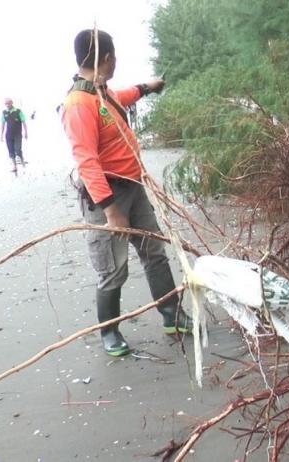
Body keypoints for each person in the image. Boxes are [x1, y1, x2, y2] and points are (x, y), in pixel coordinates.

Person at [60, 29, 192, 357]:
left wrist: (147, 88)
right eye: (114, 55)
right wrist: (109, 211)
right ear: (106, 58)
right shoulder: (78, 103)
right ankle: (109, 333)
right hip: (108, 198)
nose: (116, 60)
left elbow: (123, 96)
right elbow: (87, 161)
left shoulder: (102, 92)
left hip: (134, 189)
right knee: (113, 270)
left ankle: (172, 316)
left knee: (155, 253)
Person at [1, 98, 28, 172]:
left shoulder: (18, 111)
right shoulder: (4, 112)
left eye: (8, 103)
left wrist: (26, 132)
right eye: (5, 104)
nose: (7, 105)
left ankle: (21, 157)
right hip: (8, 135)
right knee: (11, 151)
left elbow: (24, 122)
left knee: (17, 149)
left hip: (17, 135)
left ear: (12, 103)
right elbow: (3, 124)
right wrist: (1, 135)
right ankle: (14, 166)